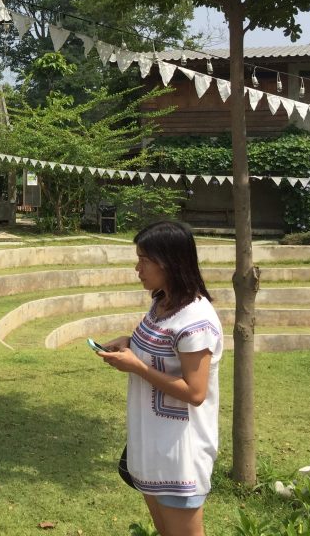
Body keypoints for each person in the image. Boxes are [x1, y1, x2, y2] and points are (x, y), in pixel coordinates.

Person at [96, 220, 223, 536]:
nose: (137, 268)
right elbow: (159, 349)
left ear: (170, 263)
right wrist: (130, 343)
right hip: (153, 445)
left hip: (180, 453)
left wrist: (137, 366)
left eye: (144, 260)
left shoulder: (197, 321)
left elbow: (196, 392)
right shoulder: (161, 302)